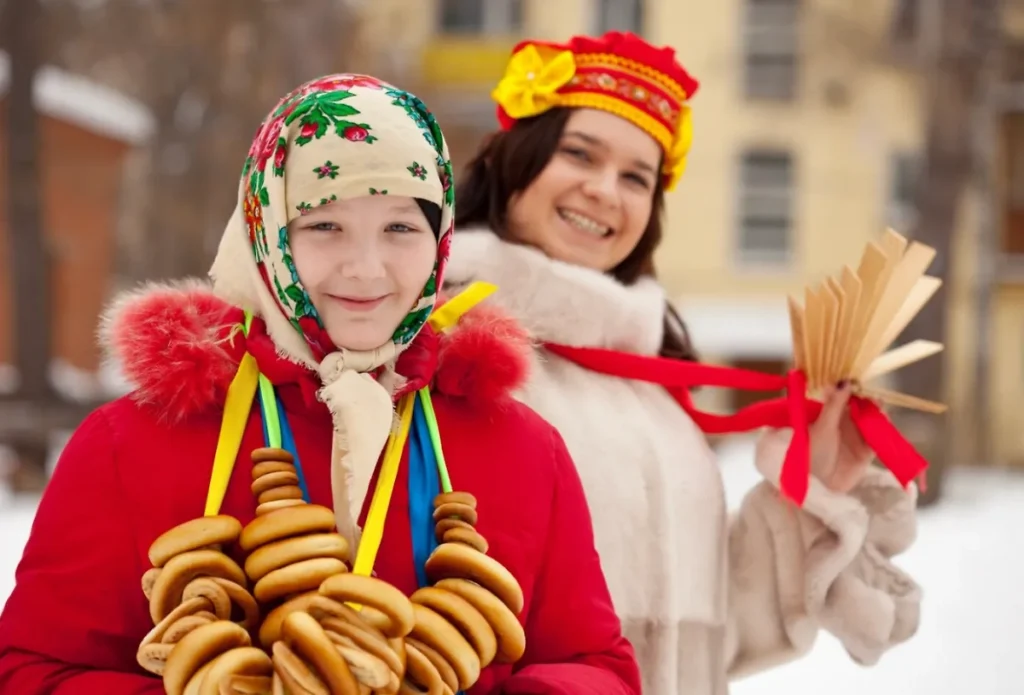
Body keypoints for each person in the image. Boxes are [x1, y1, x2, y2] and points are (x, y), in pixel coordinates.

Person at [0, 74, 641, 695]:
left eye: (400, 227)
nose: (366, 268)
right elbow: (33, 670)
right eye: (324, 224)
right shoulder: (134, 441)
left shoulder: (522, 448)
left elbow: (594, 664)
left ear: (442, 237)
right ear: (268, 233)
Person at [444, 30, 922, 695]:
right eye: (579, 154)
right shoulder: (444, 347)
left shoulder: (655, 392)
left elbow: (713, 631)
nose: (605, 190)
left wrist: (804, 490)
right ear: (510, 158)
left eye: (637, 177)